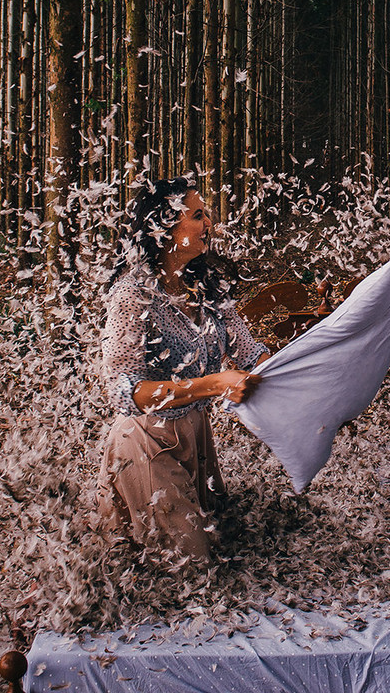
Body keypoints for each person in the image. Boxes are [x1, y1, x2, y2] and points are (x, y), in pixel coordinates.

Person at [96, 176, 269, 562]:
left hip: (196, 438)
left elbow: (251, 356)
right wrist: (212, 385)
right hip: (145, 441)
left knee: (219, 552)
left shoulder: (209, 289)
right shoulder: (132, 296)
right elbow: (126, 392)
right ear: (163, 227)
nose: (209, 223)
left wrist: (315, 378)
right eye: (198, 215)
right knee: (191, 564)